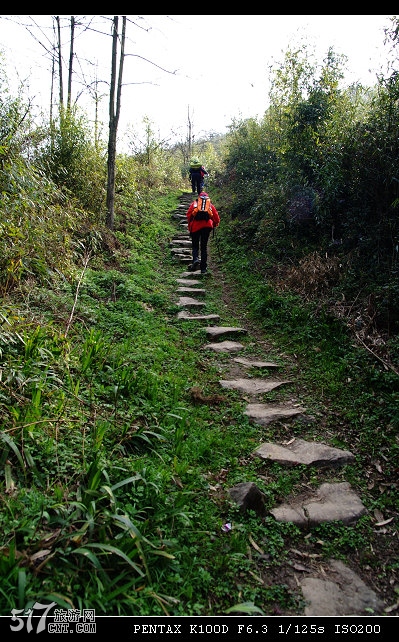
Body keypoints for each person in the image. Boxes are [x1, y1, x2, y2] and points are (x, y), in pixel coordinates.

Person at [186, 192, 220, 274]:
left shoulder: (194, 204)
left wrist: (190, 226)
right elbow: (216, 218)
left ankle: (195, 259)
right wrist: (214, 224)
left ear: (199, 197)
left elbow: (188, 215)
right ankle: (203, 268)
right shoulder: (210, 205)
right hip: (206, 227)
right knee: (204, 247)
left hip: (195, 227)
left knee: (195, 245)